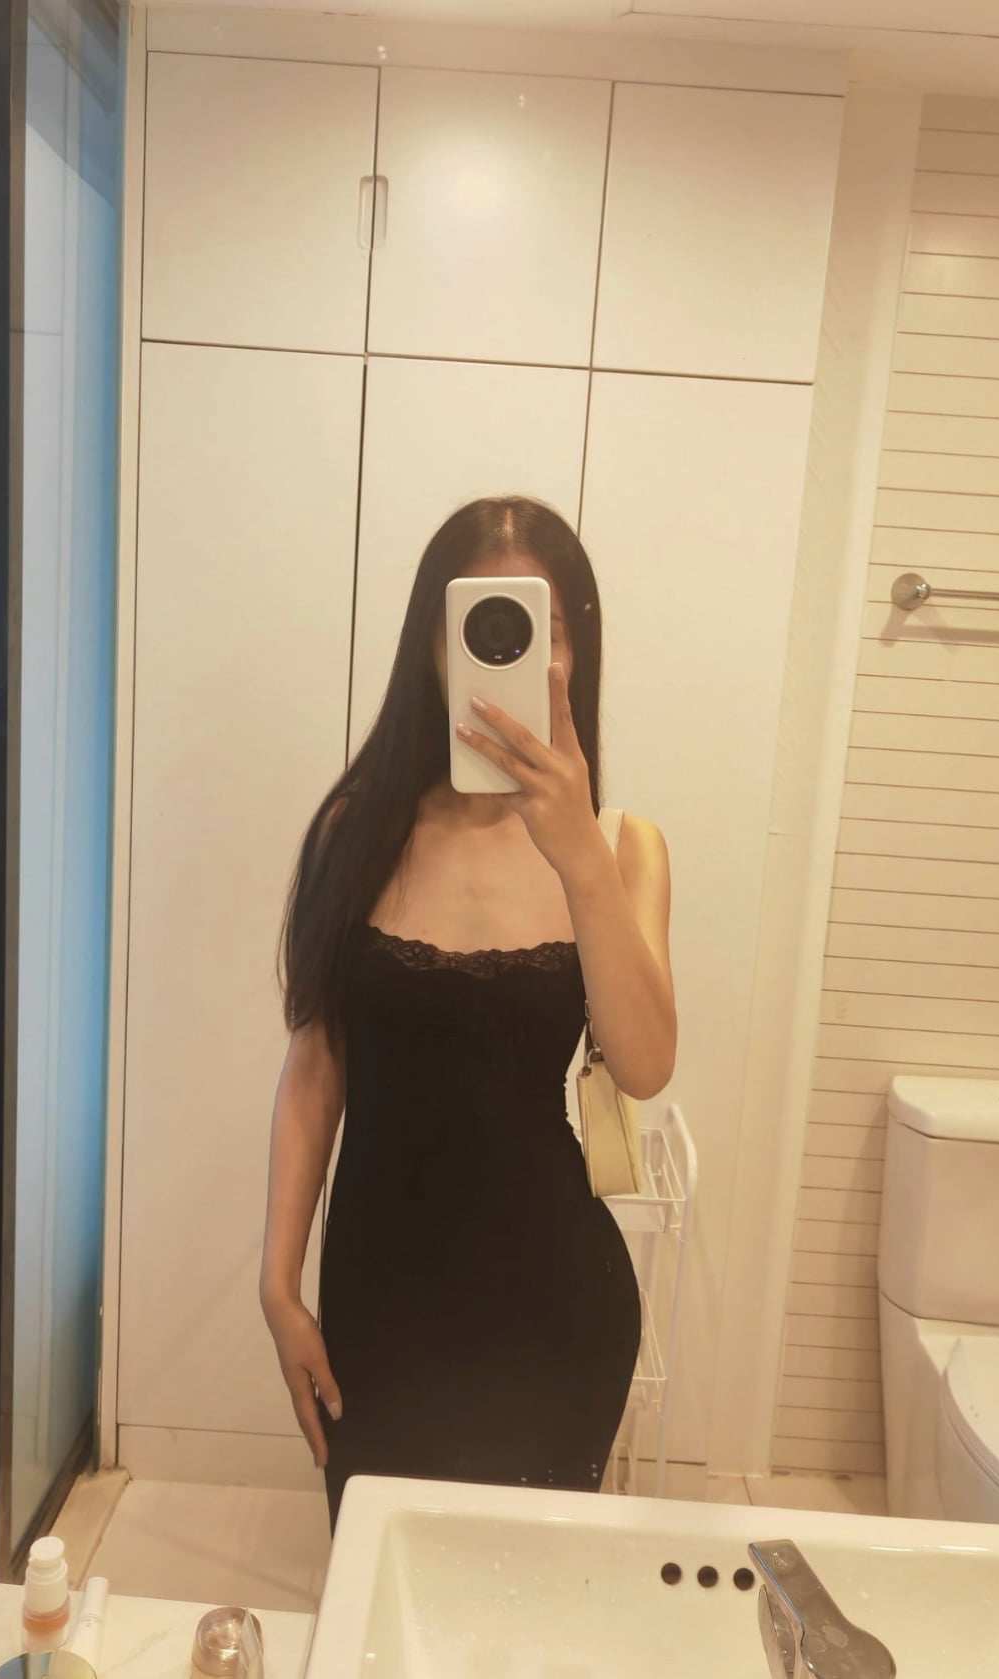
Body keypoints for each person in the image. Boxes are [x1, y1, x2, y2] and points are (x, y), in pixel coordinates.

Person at [260, 495, 676, 1532]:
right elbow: (315, 1065)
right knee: (379, 1577)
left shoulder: (623, 848)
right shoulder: (356, 831)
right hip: (378, 1304)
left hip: (555, 1309)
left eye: (541, 627)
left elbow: (643, 1064)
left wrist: (576, 854)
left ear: (574, 648)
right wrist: (277, 1285)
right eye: (479, 625)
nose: (510, 654)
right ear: (431, 647)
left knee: (528, 1596)